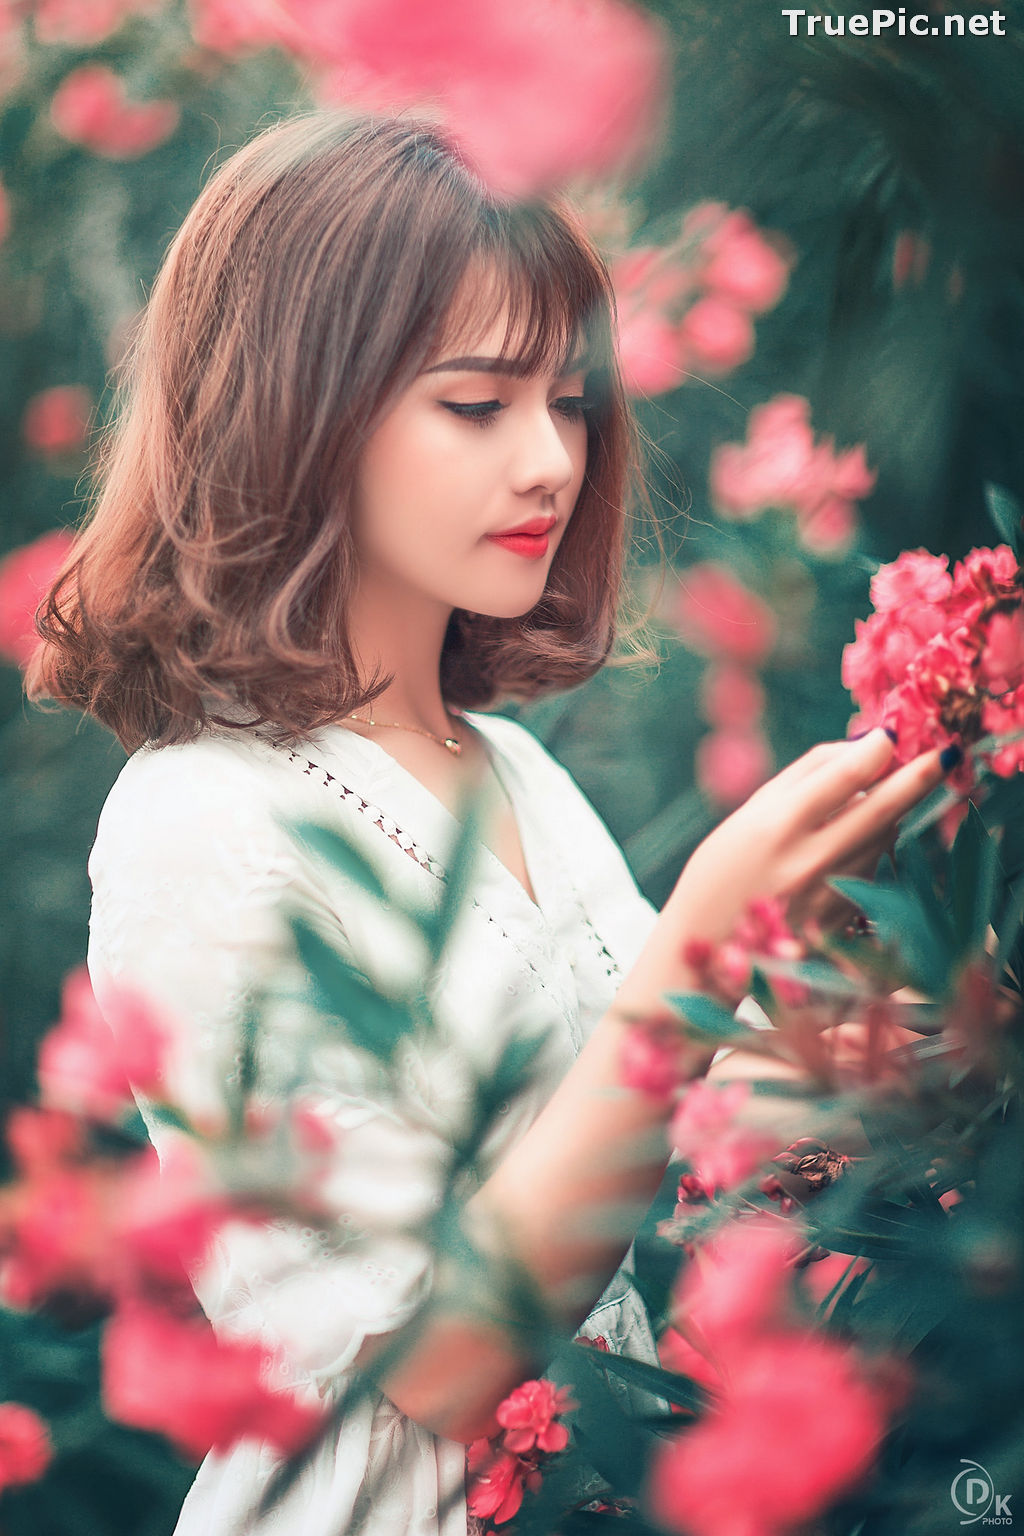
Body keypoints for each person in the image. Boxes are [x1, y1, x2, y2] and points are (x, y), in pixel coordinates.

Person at [27, 111, 948, 1535]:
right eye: (477, 405)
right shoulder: (202, 817)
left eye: (569, 402)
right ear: (299, 409)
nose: (550, 463)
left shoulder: (510, 769)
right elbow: (432, 1359)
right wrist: (703, 942)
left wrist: (852, 979)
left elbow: (667, 1159)